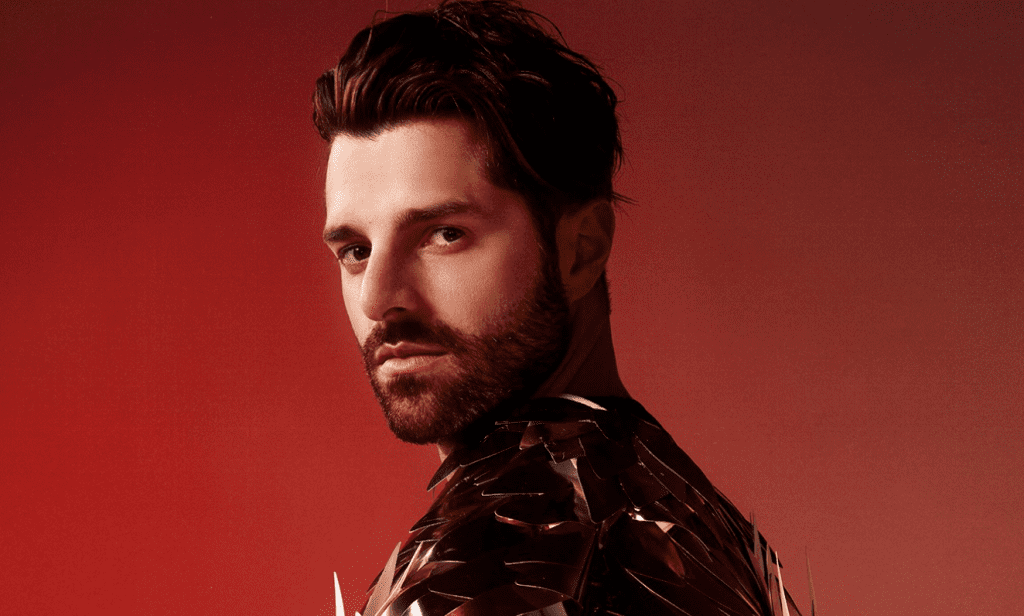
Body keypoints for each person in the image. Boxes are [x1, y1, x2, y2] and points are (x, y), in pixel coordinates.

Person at [313, 2, 805, 614]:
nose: (377, 296)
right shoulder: (689, 520)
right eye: (356, 250)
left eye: (444, 234)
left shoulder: (512, 570)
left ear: (581, 249)